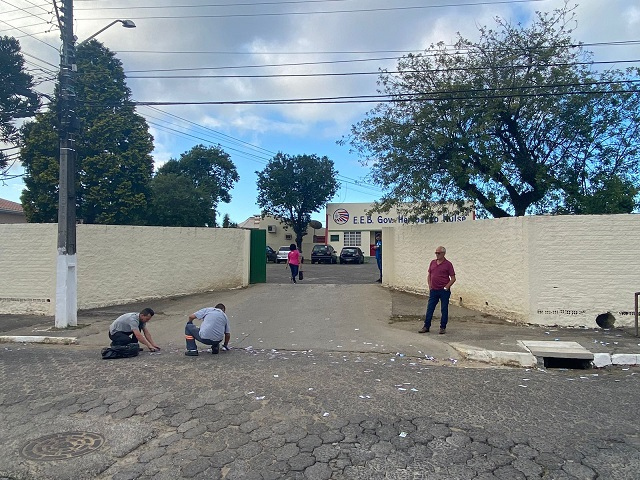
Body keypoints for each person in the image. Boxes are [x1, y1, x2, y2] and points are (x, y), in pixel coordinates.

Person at [419, 246, 456, 334]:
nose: (437, 255)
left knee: (444, 309)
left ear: (443, 254)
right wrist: (430, 285)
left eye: (438, 253)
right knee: (430, 308)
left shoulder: (448, 264)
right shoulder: (432, 263)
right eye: (436, 253)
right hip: (434, 290)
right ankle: (426, 326)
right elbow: (429, 274)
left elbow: (453, 278)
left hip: (443, 291)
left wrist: (446, 287)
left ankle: (442, 327)